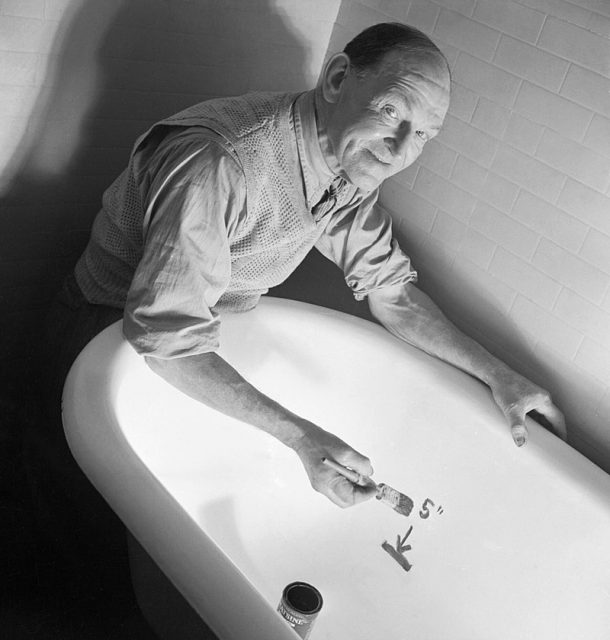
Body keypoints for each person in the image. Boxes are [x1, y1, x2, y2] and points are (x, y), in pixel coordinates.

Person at [42, 23, 567, 519]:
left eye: (425, 135)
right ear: (337, 79)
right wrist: (301, 438)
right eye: (391, 112)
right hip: (100, 338)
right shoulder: (218, 162)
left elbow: (393, 293)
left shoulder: (347, 164)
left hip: (197, 346)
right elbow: (167, 337)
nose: (401, 150)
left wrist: (500, 377)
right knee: (72, 517)